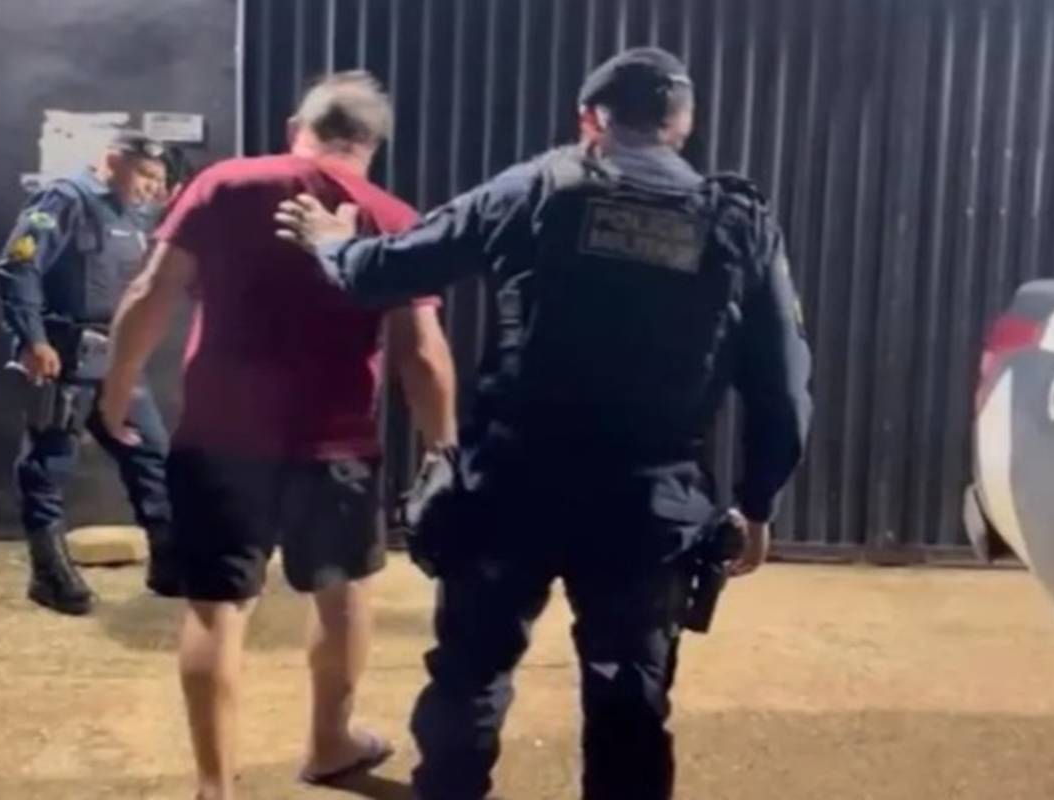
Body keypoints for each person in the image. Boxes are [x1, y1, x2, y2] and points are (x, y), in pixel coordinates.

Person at [276, 48, 813, 800]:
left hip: (509, 491)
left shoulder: (535, 188)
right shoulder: (737, 223)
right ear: (682, 125)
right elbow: (782, 384)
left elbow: (387, 271)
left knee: (470, 676)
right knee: (629, 698)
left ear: (589, 118)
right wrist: (758, 503)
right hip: (645, 507)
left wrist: (331, 242)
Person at [99, 72, 458, 800]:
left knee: (217, 606)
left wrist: (116, 392)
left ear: (299, 125)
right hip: (337, 444)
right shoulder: (392, 215)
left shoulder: (225, 185)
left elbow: (150, 292)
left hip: (219, 438)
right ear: (372, 143)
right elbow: (421, 353)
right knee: (341, 595)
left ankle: (215, 786)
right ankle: (329, 744)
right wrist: (443, 448)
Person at [0, 129, 177, 616]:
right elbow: (18, 267)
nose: (151, 186)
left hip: (117, 357)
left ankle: (170, 562)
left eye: (157, 178)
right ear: (112, 161)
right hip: (65, 356)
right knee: (49, 463)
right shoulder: (64, 198)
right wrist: (33, 339)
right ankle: (50, 574)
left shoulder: (137, 212)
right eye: (144, 173)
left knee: (152, 456)